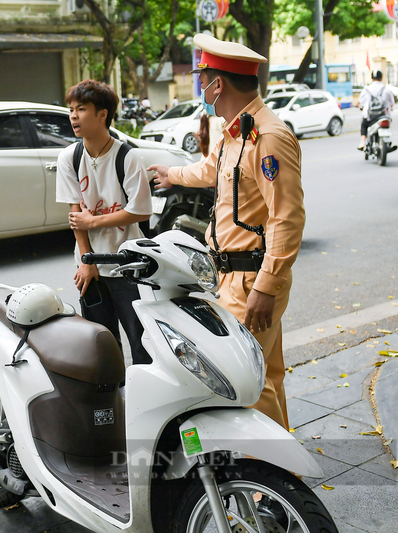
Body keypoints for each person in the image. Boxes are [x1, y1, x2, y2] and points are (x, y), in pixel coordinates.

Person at [147, 34, 305, 430]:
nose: (200, 84)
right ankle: (280, 481)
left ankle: (266, 482)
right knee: (265, 375)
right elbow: (210, 170)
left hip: (251, 277)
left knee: (243, 382)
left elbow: (287, 217)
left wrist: (266, 288)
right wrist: (172, 175)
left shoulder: (267, 136)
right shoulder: (234, 131)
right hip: (232, 275)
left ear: (219, 85)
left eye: (203, 77)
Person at [55, 79, 153, 364]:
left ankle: (142, 401)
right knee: (102, 346)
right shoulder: (69, 158)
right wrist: (87, 261)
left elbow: (141, 211)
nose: (73, 115)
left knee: (142, 343)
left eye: (81, 109)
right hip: (91, 270)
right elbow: (76, 216)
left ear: (103, 115)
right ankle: (112, 403)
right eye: (71, 109)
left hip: (129, 267)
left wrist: (94, 222)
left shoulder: (128, 156)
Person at [358, 70, 393, 150]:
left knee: (364, 124)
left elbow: (359, 102)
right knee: (387, 125)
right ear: (381, 78)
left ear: (372, 78)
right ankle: (388, 142)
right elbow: (391, 103)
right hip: (383, 116)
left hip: (370, 116)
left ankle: (362, 142)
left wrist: (359, 106)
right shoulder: (386, 90)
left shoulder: (367, 89)